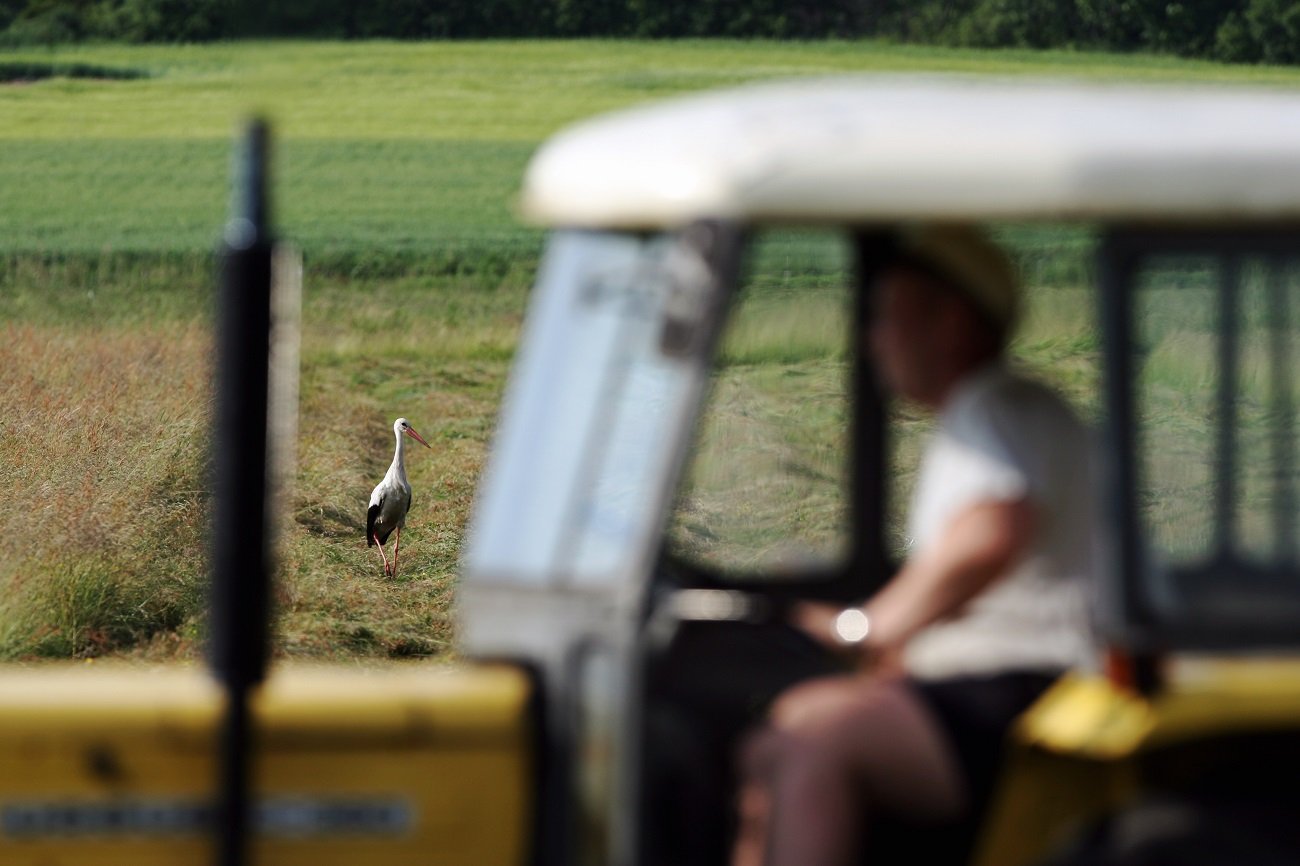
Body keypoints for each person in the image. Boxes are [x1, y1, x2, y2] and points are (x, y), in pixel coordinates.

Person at [731, 224, 1098, 866]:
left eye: (886, 317)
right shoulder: (991, 415)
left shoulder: (994, 408)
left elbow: (991, 534)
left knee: (812, 741)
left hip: (1024, 689)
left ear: (948, 322)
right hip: (996, 685)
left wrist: (867, 627)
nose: (873, 340)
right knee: (774, 739)